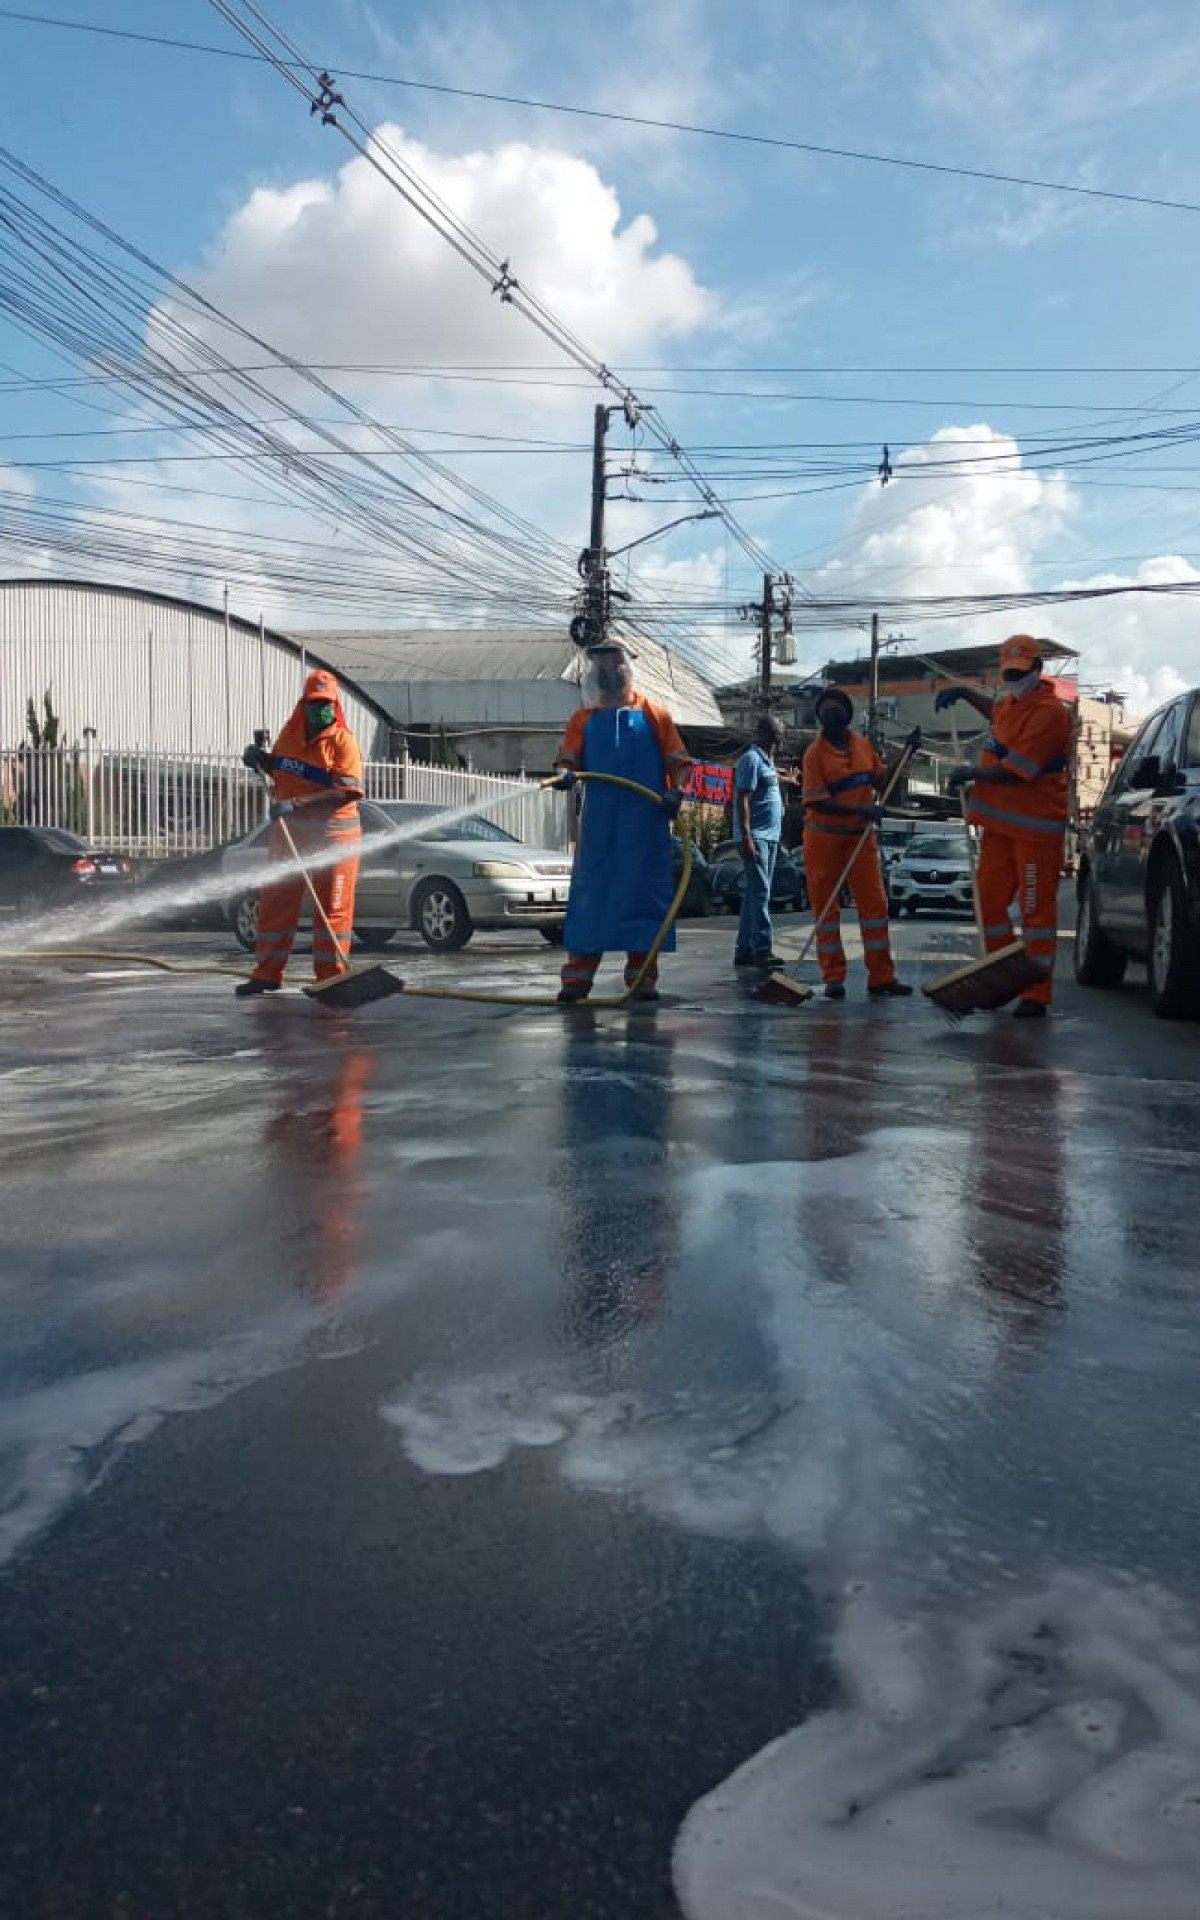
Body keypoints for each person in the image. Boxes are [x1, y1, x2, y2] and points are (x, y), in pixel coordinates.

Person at [936, 633, 1072, 1019]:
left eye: (1021, 671)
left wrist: (970, 772)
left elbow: (1018, 772)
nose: (1014, 678)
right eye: (1009, 672)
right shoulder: (1013, 704)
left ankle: (1036, 992)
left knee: (1034, 913)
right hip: (1000, 827)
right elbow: (997, 714)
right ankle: (1002, 977)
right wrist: (963, 692)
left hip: (1035, 830)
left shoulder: (1049, 713)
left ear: (1038, 669)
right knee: (987, 903)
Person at [553, 641, 692, 1004]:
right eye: (600, 667)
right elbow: (566, 759)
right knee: (591, 901)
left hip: (645, 827)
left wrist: (676, 793)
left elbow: (679, 763)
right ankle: (576, 981)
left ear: (626, 671)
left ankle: (642, 979)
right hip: (599, 829)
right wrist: (564, 774)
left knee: (642, 899)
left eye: (614, 666)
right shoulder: (582, 719)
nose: (607, 673)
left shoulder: (654, 715)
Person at [235, 668, 365, 997]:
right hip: (290, 837)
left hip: (334, 839)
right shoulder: (289, 736)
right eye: (315, 702)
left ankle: (331, 977)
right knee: (276, 902)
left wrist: (297, 804)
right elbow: (281, 769)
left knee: (332, 910)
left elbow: (348, 791)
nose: (321, 709)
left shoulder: (343, 742)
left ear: (335, 706)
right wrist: (262, 760)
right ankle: (267, 973)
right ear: (303, 702)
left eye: (327, 703)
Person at [801, 688, 912, 1001]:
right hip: (824, 839)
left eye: (836, 711)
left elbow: (881, 781)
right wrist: (862, 810)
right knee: (826, 909)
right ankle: (833, 977)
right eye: (825, 711)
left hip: (860, 840)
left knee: (875, 906)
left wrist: (906, 752)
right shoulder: (814, 754)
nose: (830, 716)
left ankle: (882, 977)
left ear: (846, 715)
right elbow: (818, 801)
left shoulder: (863, 746)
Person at [733, 714, 799, 971]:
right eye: (775, 735)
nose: (777, 740)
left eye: (778, 735)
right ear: (768, 737)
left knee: (753, 895)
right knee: (761, 893)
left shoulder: (767, 762)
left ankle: (744, 949)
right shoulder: (750, 760)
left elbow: (771, 778)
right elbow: (743, 799)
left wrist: (788, 780)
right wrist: (747, 836)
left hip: (770, 837)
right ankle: (762, 948)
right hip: (756, 837)